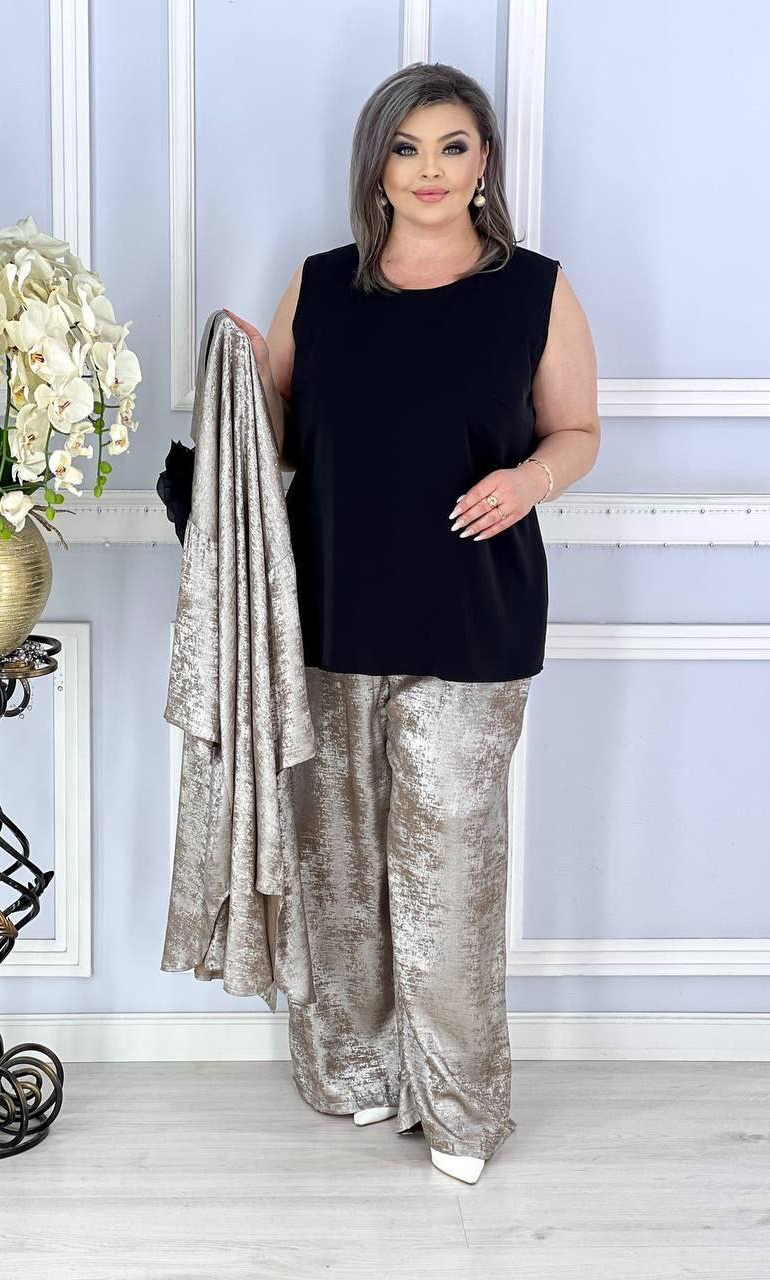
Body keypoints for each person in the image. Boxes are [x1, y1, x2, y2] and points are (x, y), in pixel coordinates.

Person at [223, 61, 599, 1185]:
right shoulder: (320, 287)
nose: (430, 170)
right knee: (341, 873)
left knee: (447, 883)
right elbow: (277, 437)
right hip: (332, 617)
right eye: (406, 147)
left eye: (453, 147)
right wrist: (241, 379)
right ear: (376, 165)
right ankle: (358, 1070)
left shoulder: (535, 289)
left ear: (484, 163)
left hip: (472, 623)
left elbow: (577, 429)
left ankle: (462, 1111)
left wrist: (528, 481)